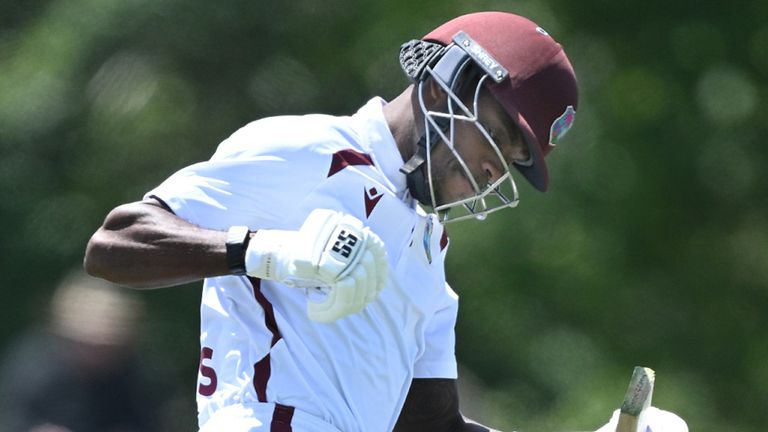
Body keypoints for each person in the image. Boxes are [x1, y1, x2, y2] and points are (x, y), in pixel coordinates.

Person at [84, 11, 686, 432]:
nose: (493, 169)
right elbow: (114, 243)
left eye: (511, 160)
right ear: (447, 82)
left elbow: (432, 427)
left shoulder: (428, 248)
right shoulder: (313, 151)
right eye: (498, 135)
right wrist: (267, 252)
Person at [0, 270, 160, 432]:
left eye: (107, 344)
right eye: (88, 342)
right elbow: (15, 420)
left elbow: (148, 421)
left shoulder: (137, 375)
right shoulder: (32, 370)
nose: (97, 352)